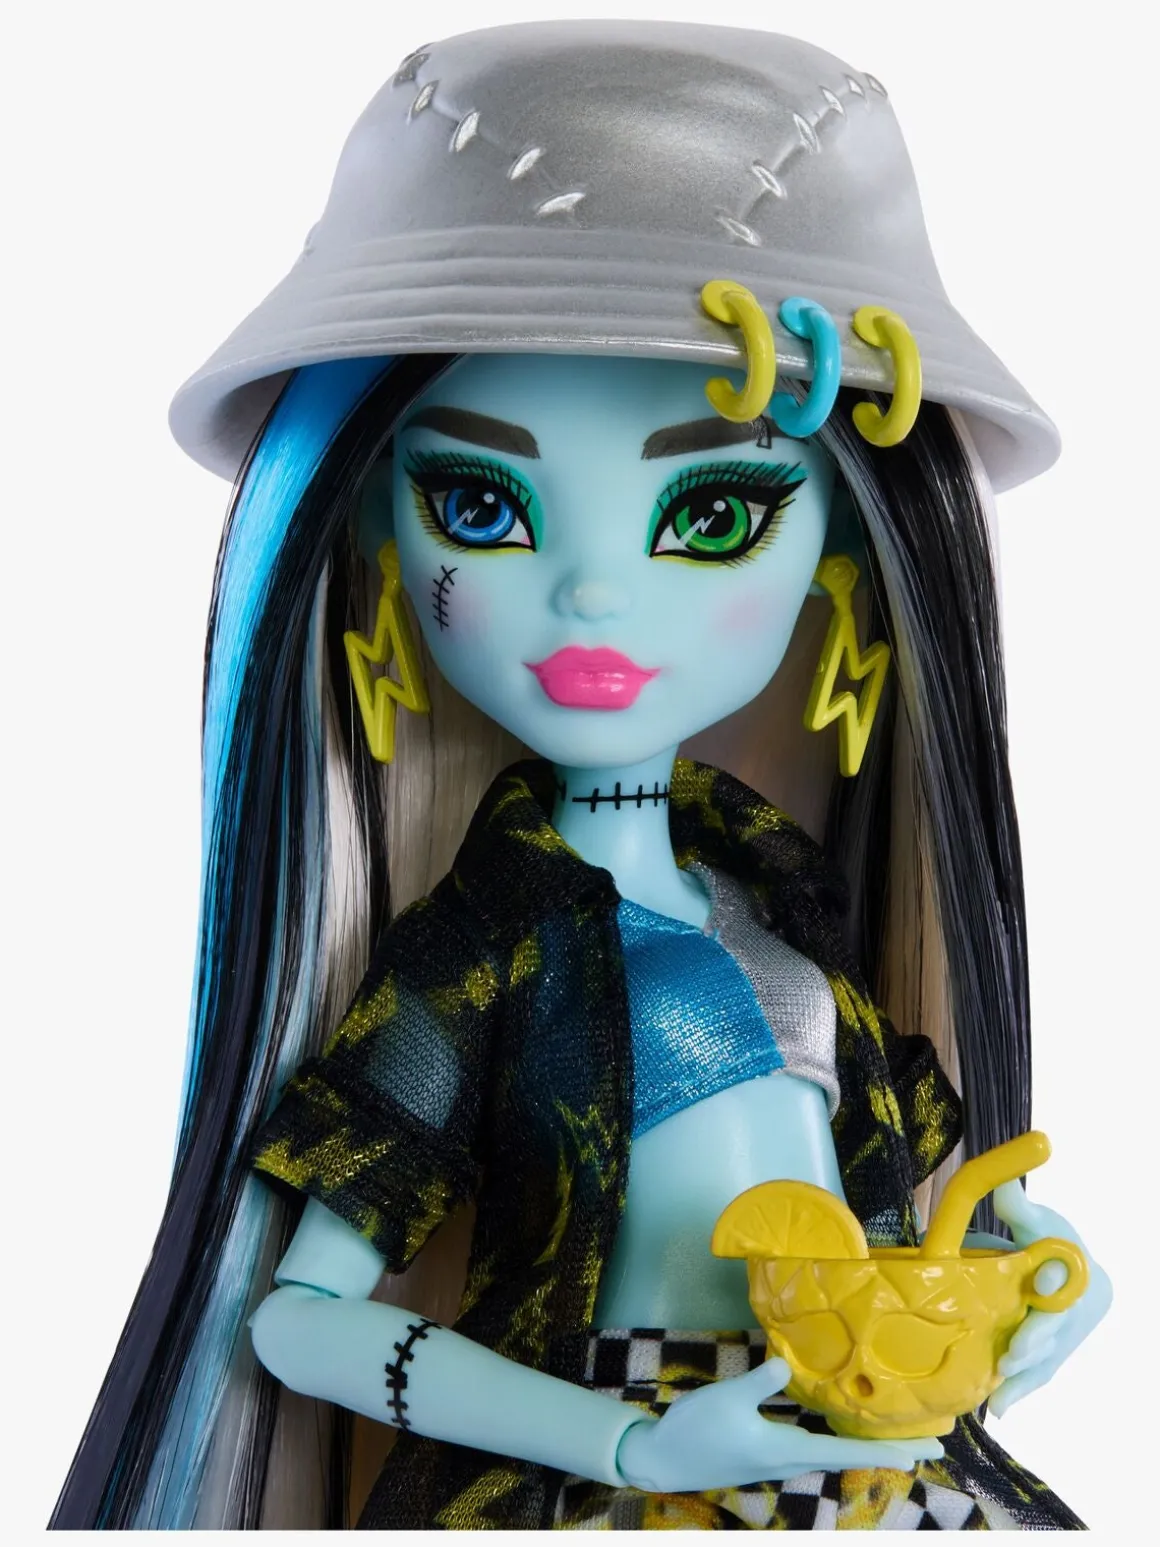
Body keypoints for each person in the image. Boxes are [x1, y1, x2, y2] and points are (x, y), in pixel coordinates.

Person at [51, 19, 1110, 1531]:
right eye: (482, 506)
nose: (597, 597)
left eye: (716, 513)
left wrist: (1031, 1289)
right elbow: (302, 1318)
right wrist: (622, 1447)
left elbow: (927, 1208)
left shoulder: (788, 909)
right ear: (369, 537)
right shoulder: (482, 953)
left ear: (853, 554)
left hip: (859, 1456)